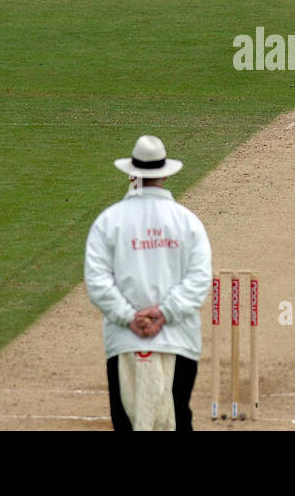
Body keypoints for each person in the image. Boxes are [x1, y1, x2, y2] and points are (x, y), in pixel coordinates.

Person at [84, 136, 212, 431]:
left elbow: (97, 280)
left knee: (127, 422)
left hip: (126, 341)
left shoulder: (109, 221)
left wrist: (130, 318)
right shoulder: (187, 221)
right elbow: (199, 279)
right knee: (177, 418)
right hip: (178, 339)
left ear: (133, 173)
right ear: (165, 173)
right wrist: (164, 314)